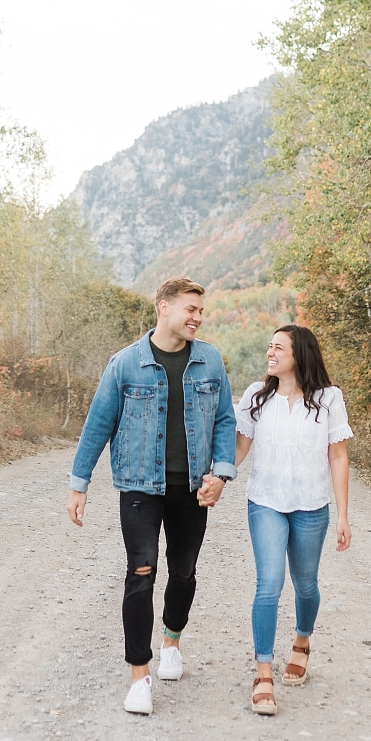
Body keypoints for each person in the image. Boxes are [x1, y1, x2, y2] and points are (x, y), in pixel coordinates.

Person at [66, 277, 237, 716]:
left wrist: (221, 473)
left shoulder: (211, 361)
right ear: (163, 308)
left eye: (201, 310)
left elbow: (223, 421)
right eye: (190, 309)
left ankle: (172, 643)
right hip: (140, 486)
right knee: (141, 572)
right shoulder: (125, 364)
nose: (198, 317)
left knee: (183, 573)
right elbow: (98, 425)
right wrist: (78, 483)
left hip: (193, 488)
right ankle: (138, 676)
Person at [235, 324, 353, 716]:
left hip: (311, 504)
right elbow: (239, 448)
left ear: (299, 354)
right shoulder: (256, 396)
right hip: (265, 501)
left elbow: (338, 456)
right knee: (269, 582)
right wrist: (216, 477)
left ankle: (302, 641)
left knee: (306, 585)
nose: (270, 353)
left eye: (278, 348)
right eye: (269, 347)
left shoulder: (328, 399)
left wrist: (343, 515)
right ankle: (263, 672)